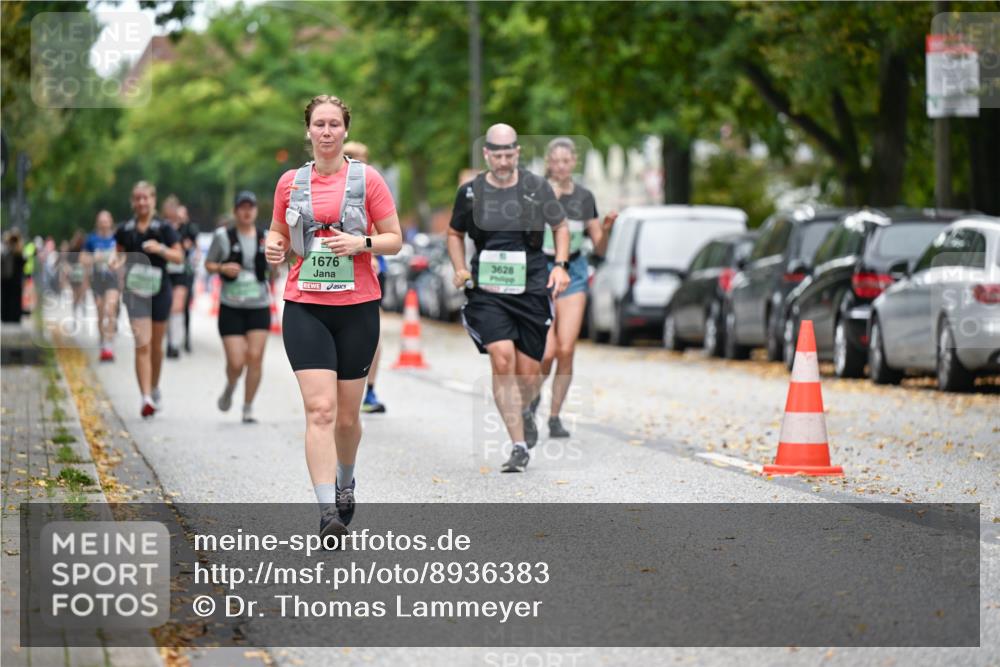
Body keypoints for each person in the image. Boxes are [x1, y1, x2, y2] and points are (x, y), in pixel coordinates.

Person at [265, 95, 402, 540]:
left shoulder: (368, 179)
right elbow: (278, 233)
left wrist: (360, 244)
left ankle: (346, 480)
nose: (326, 132)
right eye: (319, 125)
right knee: (319, 410)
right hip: (306, 305)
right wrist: (273, 247)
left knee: (346, 416)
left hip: (357, 307)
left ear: (345, 131)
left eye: (334, 125)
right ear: (308, 131)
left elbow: (394, 239)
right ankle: (328, 511)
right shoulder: (290, 182)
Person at [447, 123, 570, 473]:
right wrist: (459, 268)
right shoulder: (470, 193)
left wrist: (560, 266)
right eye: (496, 154)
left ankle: (527, 409)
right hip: (486, 289)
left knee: (530, 374)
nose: (502, 160)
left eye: (508, 153)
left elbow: (560, 227)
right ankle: (518, 445)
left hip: (530, 286)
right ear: (486, 154)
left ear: (517, 152)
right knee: (501, 359)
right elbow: (454, 233)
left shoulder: (536, 188)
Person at [534, 137, 617, 437]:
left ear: (574, 162)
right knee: (547, 352)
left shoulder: (584, 197)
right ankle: (532, 399)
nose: (560, 166)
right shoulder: (537, 193)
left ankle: (555, 416)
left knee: (566, 349)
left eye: (565, 161)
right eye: (554, 161)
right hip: (541, 272)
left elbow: (601, 247)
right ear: (548, 162)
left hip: (575, 272)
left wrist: (606, 229)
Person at [114, 181, 183, 417]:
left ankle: (153, 387)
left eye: (146, 198)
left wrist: (160, 249)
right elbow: (119, 255)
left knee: (156, 347)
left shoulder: (164, 228)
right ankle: (145, 397)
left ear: (153, 200)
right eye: (137, 198)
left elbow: (178, 257)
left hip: (160, 290)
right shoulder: (125, 229)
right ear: (133, 202)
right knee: (142, 344)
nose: (142, 202)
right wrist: (117, 263)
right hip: (135, 292)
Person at [204, 191, 271, 424]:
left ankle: (248, 406)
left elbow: (277, 262)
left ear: (255, 210)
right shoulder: (223, 236)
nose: (246, 211)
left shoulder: (266, 236)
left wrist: (277, 262)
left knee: (255, 357)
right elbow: (208, 263)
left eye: (250, 207)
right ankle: (231, 386)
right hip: (231, 305)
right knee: (236, 361)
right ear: (235, 211)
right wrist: (222, 268)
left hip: (259, 304)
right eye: (242, 207)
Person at [344, 140, 388, 414]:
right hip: (332, 269)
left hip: (368, 264)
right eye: (350, 157)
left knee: (372, 334)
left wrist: (372, 255)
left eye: (362, 158)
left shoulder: (372, 187)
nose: (356, 163)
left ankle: (369, 391)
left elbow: (387, 230)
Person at [82, 211, 120, 361]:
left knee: (110, 310)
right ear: (97, 223)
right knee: (100, 313)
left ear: (111, 222)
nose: (104, 223)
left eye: (106, 221)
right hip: (97, 279)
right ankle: (102, 339)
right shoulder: (91, 239)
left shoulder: (116, 238)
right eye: (101, 221)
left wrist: (117, 262)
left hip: (112, 279)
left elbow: (124, 256)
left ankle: (108, 346)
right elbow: (82, 258)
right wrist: (94, 258)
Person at [177, 205, 199, 352]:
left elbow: (196, 247)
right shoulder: (171, 229)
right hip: (173, 271)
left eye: (182, 214)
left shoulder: (191, 228)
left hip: (186, 271)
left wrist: (195, 257)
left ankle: (186, 338)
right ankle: (174, 337)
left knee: (185, 306)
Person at [1, 229, 25, 323]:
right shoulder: (5, 249)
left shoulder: (19, 251)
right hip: (6, 278)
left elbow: (23, 260)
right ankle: (6, 317)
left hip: (16, 280)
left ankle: (15, 317)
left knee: (16, 299)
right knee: (6, 298)